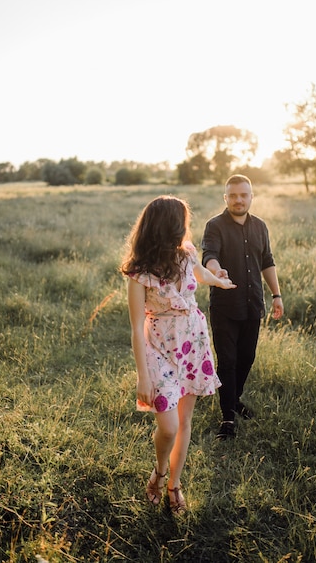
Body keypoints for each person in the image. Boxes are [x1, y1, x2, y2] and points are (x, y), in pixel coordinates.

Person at [121, 195, 236, 515]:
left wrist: (220, 281)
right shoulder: (139, 272)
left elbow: (199, 273)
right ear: (168, 226)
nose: (186, 229)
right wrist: (143, 376)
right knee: (168, 426)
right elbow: (135, 327)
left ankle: (174, 484)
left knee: (184, 421)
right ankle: (159, 471)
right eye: (183, 223)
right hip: (158, 350)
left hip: (192, 344)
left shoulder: (186, 254)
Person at [201, 174, 284, 441]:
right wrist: (217, 272)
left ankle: (233, 398)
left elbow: (267, 261)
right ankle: (227, 418)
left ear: (250, 196)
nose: (239, 200)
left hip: (252, 304)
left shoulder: (260, 226)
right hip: (225, 306)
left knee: (247, 356)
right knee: (227, 361)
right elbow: (209, 256)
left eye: (243, 195)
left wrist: (277, 295)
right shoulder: (214, 226)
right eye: (233, 195)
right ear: (226, 198)